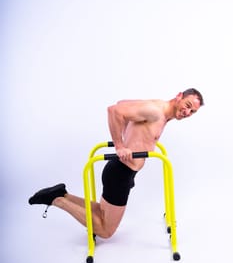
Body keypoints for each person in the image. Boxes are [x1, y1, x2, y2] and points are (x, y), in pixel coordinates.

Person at [29, 88, 204, 239]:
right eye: (188, 106)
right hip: (120, 174)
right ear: (179, 96)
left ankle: (63, 194)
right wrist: (120, 145)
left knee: (102, 213)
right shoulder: (156, 111)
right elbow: (115, 110)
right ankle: (57, 200)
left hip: (123, 172)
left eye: (193, 112)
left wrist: (132, 136)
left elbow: (123, 103)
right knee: (105, 230)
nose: (188, 113)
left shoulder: (160, 111)